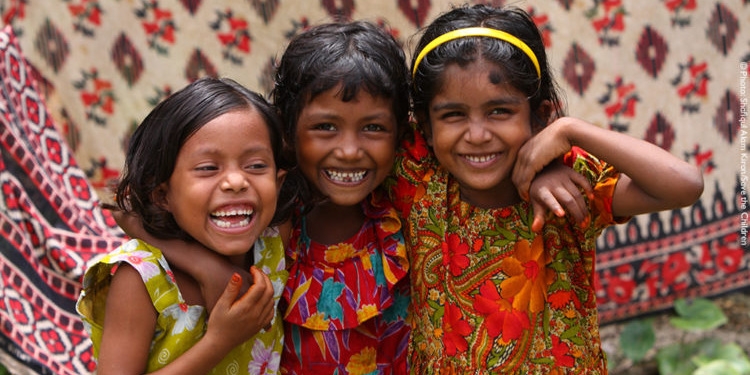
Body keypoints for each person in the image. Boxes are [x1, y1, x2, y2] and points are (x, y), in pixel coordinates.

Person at [392, 4, 704, 374]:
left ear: (540, 114)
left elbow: (684, 185)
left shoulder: (570, 188)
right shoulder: (417, 178)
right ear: (425, 125)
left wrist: (570, 131)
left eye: (499, 112)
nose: (477, 135)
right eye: (453, 115)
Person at [75, 77, 290, 375]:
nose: (237, 182)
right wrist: (219, 341)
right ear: (163, 195)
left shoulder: (272, 246)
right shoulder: (142, 280)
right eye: (208, 168)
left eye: (255, 166)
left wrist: (205, 266)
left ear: (278, 184)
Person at [270, 20, 412, 374]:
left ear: (401, 134)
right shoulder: (267, 224)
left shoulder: (414, 214)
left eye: (373, 128)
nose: (349, 151)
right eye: (325, 127)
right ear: (287, 130)